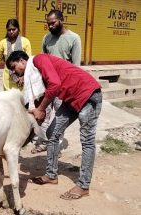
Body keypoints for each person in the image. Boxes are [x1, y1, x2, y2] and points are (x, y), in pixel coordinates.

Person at [6, 50, 102, 200]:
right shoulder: (35, 75)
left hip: (88, 94)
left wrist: (41, 109)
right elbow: (38, 107)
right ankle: (51, 175)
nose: (15, 73)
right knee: (52, 133)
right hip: (71, 99)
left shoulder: (39, 60)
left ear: (22, 61)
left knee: (87, 141)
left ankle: (83, 185)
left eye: (14, 68)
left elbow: (55, 85)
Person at [32, 9, 82, 154]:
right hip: (47, 86)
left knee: (60, 118)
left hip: (63, 88)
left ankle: (56, 146)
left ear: (62, 20)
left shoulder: (74, 38)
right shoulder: (46, 38)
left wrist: (72, 89)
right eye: (48, 24)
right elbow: (42, 61)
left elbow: (75, 67)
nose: (50, 26)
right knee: (44, 115)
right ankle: (43, 143)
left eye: (53, 23)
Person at [0, 19, 32, 90]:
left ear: (18, 29)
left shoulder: (25, 41)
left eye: (14, 29)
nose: (11, 32)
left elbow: (29, 61)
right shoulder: (3, 42)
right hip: (8, 79)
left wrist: (24, 77)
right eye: (9, 30)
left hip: (22, 77)